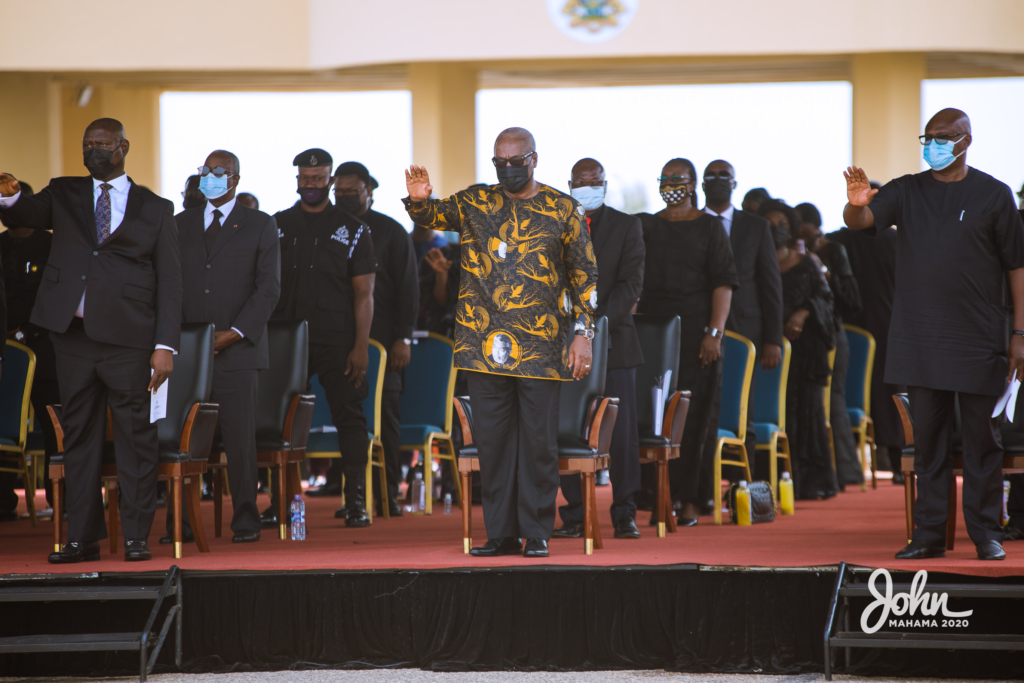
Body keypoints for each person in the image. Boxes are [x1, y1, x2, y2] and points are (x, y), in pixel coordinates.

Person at [404, 127, 598, 559]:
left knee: (537, 444)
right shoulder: (475, 202)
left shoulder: (563, 209)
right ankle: (501, 533)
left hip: (542, 348)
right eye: (499, 163)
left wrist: (583, 335)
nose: (507, 169)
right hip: (481, 345)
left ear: (533, 159)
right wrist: (419, 200)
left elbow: (586, 278)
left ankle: (537, 532)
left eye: (515, 161)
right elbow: (433, 217)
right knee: (492, 445)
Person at [842, 108, 1024, 561]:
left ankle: (985, 533)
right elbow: (860, 223)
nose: (935, 145)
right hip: (920, 339)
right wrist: (856, 202)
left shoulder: (994, 195)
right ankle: (928, 534)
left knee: (983, 442)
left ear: (966, 140)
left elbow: (1017, 268)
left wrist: (1020, 332)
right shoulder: (906, 190)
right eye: (929, 137)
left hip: (980, 340)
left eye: (944, 137)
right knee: (929, 443)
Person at [0, 118, 182, 564]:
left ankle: (136, 536)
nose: (94, 150)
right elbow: (23, 214)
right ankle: (82, 538)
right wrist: (8, 194)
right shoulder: (62, 193)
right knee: (77, 439)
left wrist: (165, 345)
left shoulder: (155, 208)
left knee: (136, 440)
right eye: (87, 144)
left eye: (102, 144)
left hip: (130, 340)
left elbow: (172, 284)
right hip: (73, 338)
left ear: (123, 146)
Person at [161, 150, 280, 546]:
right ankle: (178, 523)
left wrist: (234, 333)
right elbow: (168, 284)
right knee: (181, 440)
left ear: (235, 178)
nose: (210, 178)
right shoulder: (179, 224)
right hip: (187, 352)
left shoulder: (261, 225)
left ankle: (246, 520)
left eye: (218, 172)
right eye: (204, 172)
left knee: (240, 441)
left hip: (239, 351)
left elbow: (268, 289)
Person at [270, 148, 377, 528]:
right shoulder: (277, 225)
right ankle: (280, 502)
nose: (310, 185)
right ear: (297, 179)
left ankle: (356, 502)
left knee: (350, 418)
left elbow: (364, 293)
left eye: (318, 179)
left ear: (330, 181)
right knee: (278, 423)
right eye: (304, 178)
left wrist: (361, 346)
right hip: (284, 341)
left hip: (337, 341)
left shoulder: (354, 229)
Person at [637, 158, 738, 525]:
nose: (670, 183)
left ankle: (692, 499)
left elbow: (723, 283)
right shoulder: (646, 225)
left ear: (693, 184)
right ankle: (658, 497)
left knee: (696, 419)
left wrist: (714, 333)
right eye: (665, 178)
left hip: (698, 334)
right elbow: (635, 279)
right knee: (653, 416)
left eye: (678, 178)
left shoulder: (711, 228)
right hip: (652, 333)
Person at [553, 158, 645, 540]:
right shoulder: (556, 224)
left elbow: (631, 284)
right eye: (581, 181)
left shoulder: (627, 226)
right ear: (570, 184)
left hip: (615, 343)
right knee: (567, 428)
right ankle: (575, 512)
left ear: (604, 185)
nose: (588, 186)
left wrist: (592, 325)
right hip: (564, 347)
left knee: (622, 434)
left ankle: (625, 512)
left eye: (595, 181)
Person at [332, 161, 418, 518]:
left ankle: (388, 495)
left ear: (370, 190)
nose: (347, 197)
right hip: (338, 342)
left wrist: (403, 339)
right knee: (346, 418)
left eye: (353, 191)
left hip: (384, 342)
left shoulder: (391, 232)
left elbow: (408, 289)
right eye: (340, 192)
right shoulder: (329, 227)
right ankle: (353, 495)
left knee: (385, 418)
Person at [703, 160, 783, 474]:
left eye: (726, 176)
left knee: (741, 406)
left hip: (748, 329)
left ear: (735, 184)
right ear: (702, 184)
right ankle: (704, 483)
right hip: (703, 328)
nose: (719, 180)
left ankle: (741, 484)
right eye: (712, 175)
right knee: (705, 405)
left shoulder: (755, 226)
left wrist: (772, 340)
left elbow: (770, 285)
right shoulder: (692, 222)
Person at [761, 200, 838, 501]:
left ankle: (809, 482)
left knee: (806, 411)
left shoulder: (806, 262)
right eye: (769, 223)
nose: (776, 229)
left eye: (782, 223)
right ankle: (767, 480)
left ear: (792, 228)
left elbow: (826, 299)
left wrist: (802, 313)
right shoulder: (756, 261)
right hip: (769, 351)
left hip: (804, 351)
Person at [828, 188, 905, 484]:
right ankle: (899, 463)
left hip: (847, 330)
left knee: (850, 393)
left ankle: (850, 461)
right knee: (892, 395)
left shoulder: (838, 240)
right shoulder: (897, 240)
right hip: (889, 327)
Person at [2, 182, 61, 520]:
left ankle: (61, 500)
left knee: (55, 425)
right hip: (4, 350)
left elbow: (57, 297)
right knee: (5, 422)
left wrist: (27, 331)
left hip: (45, 347)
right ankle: (3, 499)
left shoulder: (52, 245)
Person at [797, 202, 864, 489]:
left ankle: (847, 473)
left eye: (811, 237)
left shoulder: (834, 251)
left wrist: (825, 273)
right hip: (805, 341)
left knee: (835, 402)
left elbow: (851, 301)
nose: (806, 243)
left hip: (833, 334)